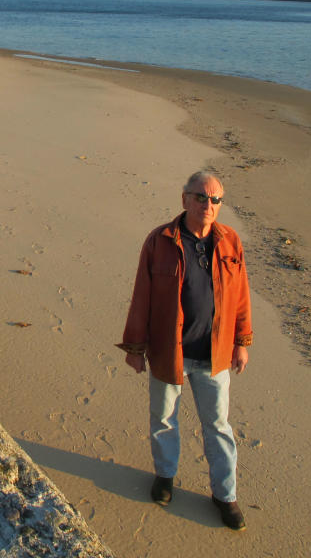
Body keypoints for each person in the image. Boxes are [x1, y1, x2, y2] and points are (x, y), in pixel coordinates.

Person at [117, 170, 253, 531]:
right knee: (163, 419)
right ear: (184, 199)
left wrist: (242, 342)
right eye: (200, 197)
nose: (208, 205)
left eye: (215, 200)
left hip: (216, 354)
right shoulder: (159, 241)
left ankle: (225, 495)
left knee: (218, 426)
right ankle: (165, 477)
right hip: (168, 351)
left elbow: (241, 297)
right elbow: (142, 297)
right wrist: (135, 346)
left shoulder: (230, 241)